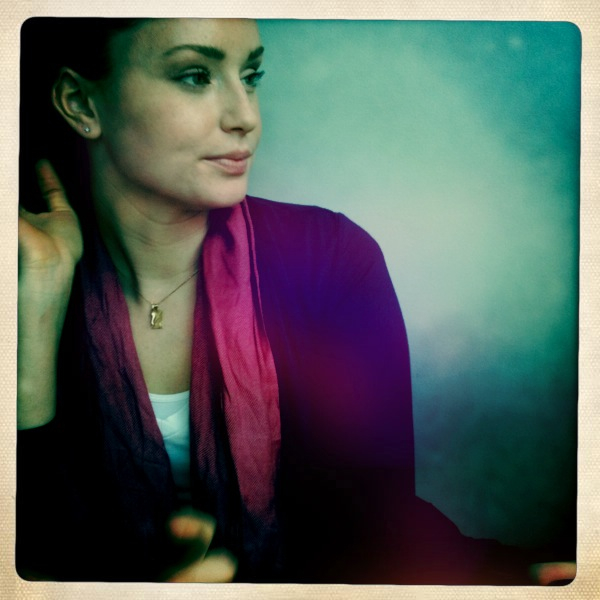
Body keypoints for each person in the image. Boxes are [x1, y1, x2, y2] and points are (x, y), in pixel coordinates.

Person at [17, 17, 575, 584]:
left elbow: (374, 520)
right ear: (80, 102)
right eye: (194, 76)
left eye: (251, 76)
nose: (245, 117)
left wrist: (507, 578)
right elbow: (26, 547)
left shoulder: (331, 260)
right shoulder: (26, 269)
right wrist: (31, 336)